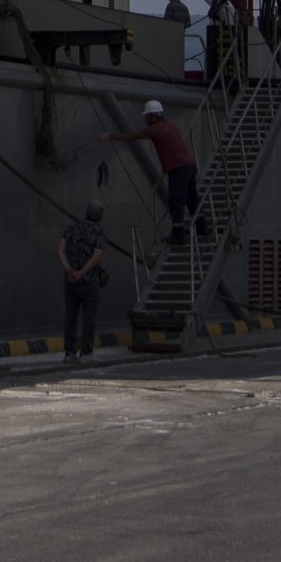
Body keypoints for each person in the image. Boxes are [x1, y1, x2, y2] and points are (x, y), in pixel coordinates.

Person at [107, 99, 199, 243]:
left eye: (147, 117)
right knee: (191, 198)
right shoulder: (171, 126)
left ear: (153, 116)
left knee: (176, 200)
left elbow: (132, 136)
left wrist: (111, 136)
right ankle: (202, 227)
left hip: (178, 168)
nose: (145, 120)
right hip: (190, 165)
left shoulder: (155, 128)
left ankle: (178, 234)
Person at [57, 204, 109, 364]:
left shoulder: (72, 228)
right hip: (89, 280)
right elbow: (97, 256)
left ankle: (69, 352)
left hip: (70, 280)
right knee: (89, 316)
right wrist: (82, 273)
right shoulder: (97, 231)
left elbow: (60, 249)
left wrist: (69, 270)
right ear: (100, 216)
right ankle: (86, 352)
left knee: (70, 315)